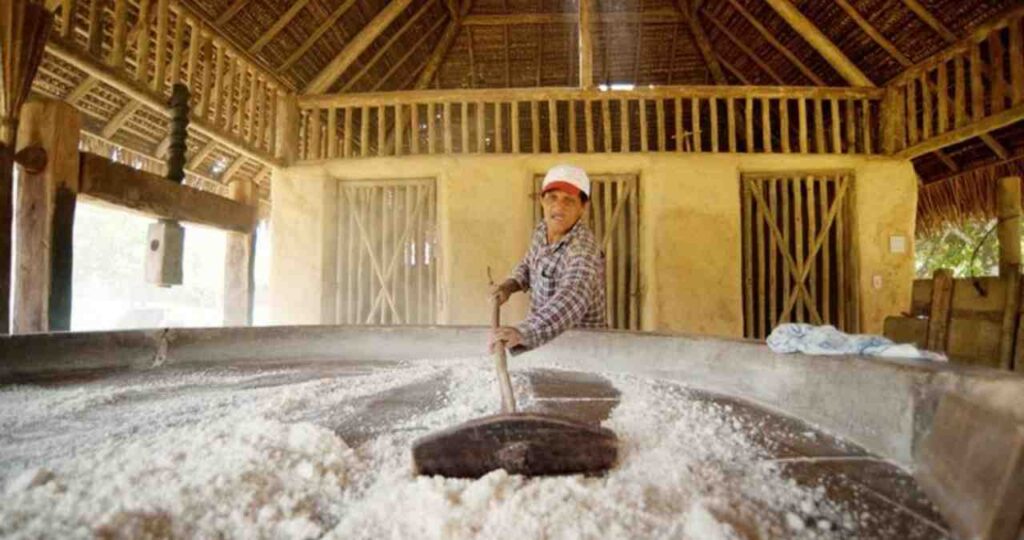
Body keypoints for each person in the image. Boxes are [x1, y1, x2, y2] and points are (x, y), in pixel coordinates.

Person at [488, 164, 607, 354]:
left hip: (581, 350)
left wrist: (523, 332)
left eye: (568, 200)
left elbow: (573, 297)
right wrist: (508, 287)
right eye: (552, 198)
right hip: (545, 343)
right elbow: (529, 263)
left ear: (583, 207)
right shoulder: (543, 229)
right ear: (542, 200)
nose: (558, 207)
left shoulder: (583, 250)